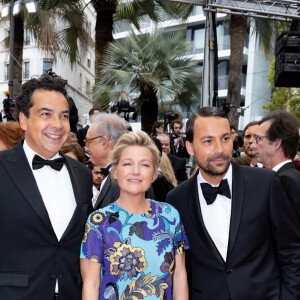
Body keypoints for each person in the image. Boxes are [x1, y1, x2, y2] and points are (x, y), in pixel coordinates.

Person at [166, 106, 300, 300]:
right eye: (208, 141)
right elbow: (182, 267)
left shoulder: (266, 182)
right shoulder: (176, 199)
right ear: (190, 148)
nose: (219, 149)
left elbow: (292, 251)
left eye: (225, 138)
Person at [0, 74, 93, 300]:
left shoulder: (82, 174)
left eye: (63, 116)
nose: (57, 125)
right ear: (23, 120)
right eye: (45, 114)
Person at [80, 131, 189, 300]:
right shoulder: (98, 222)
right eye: (127, 164)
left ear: (153, 174)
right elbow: (91, 284)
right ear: (115, 171)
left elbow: (180, 275)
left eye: (145, 165)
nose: (136, 171)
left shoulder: (170, 216)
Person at [250, 111, 300, 220]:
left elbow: (287, 232)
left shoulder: (282, 180)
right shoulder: (289, 176)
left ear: (276, 143)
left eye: (258, 139)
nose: (252, 145)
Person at [84, 113, 127, 209]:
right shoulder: (117, 174)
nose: (86, 149)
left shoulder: (124, 179)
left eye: (88, 142)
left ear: (104, 142)